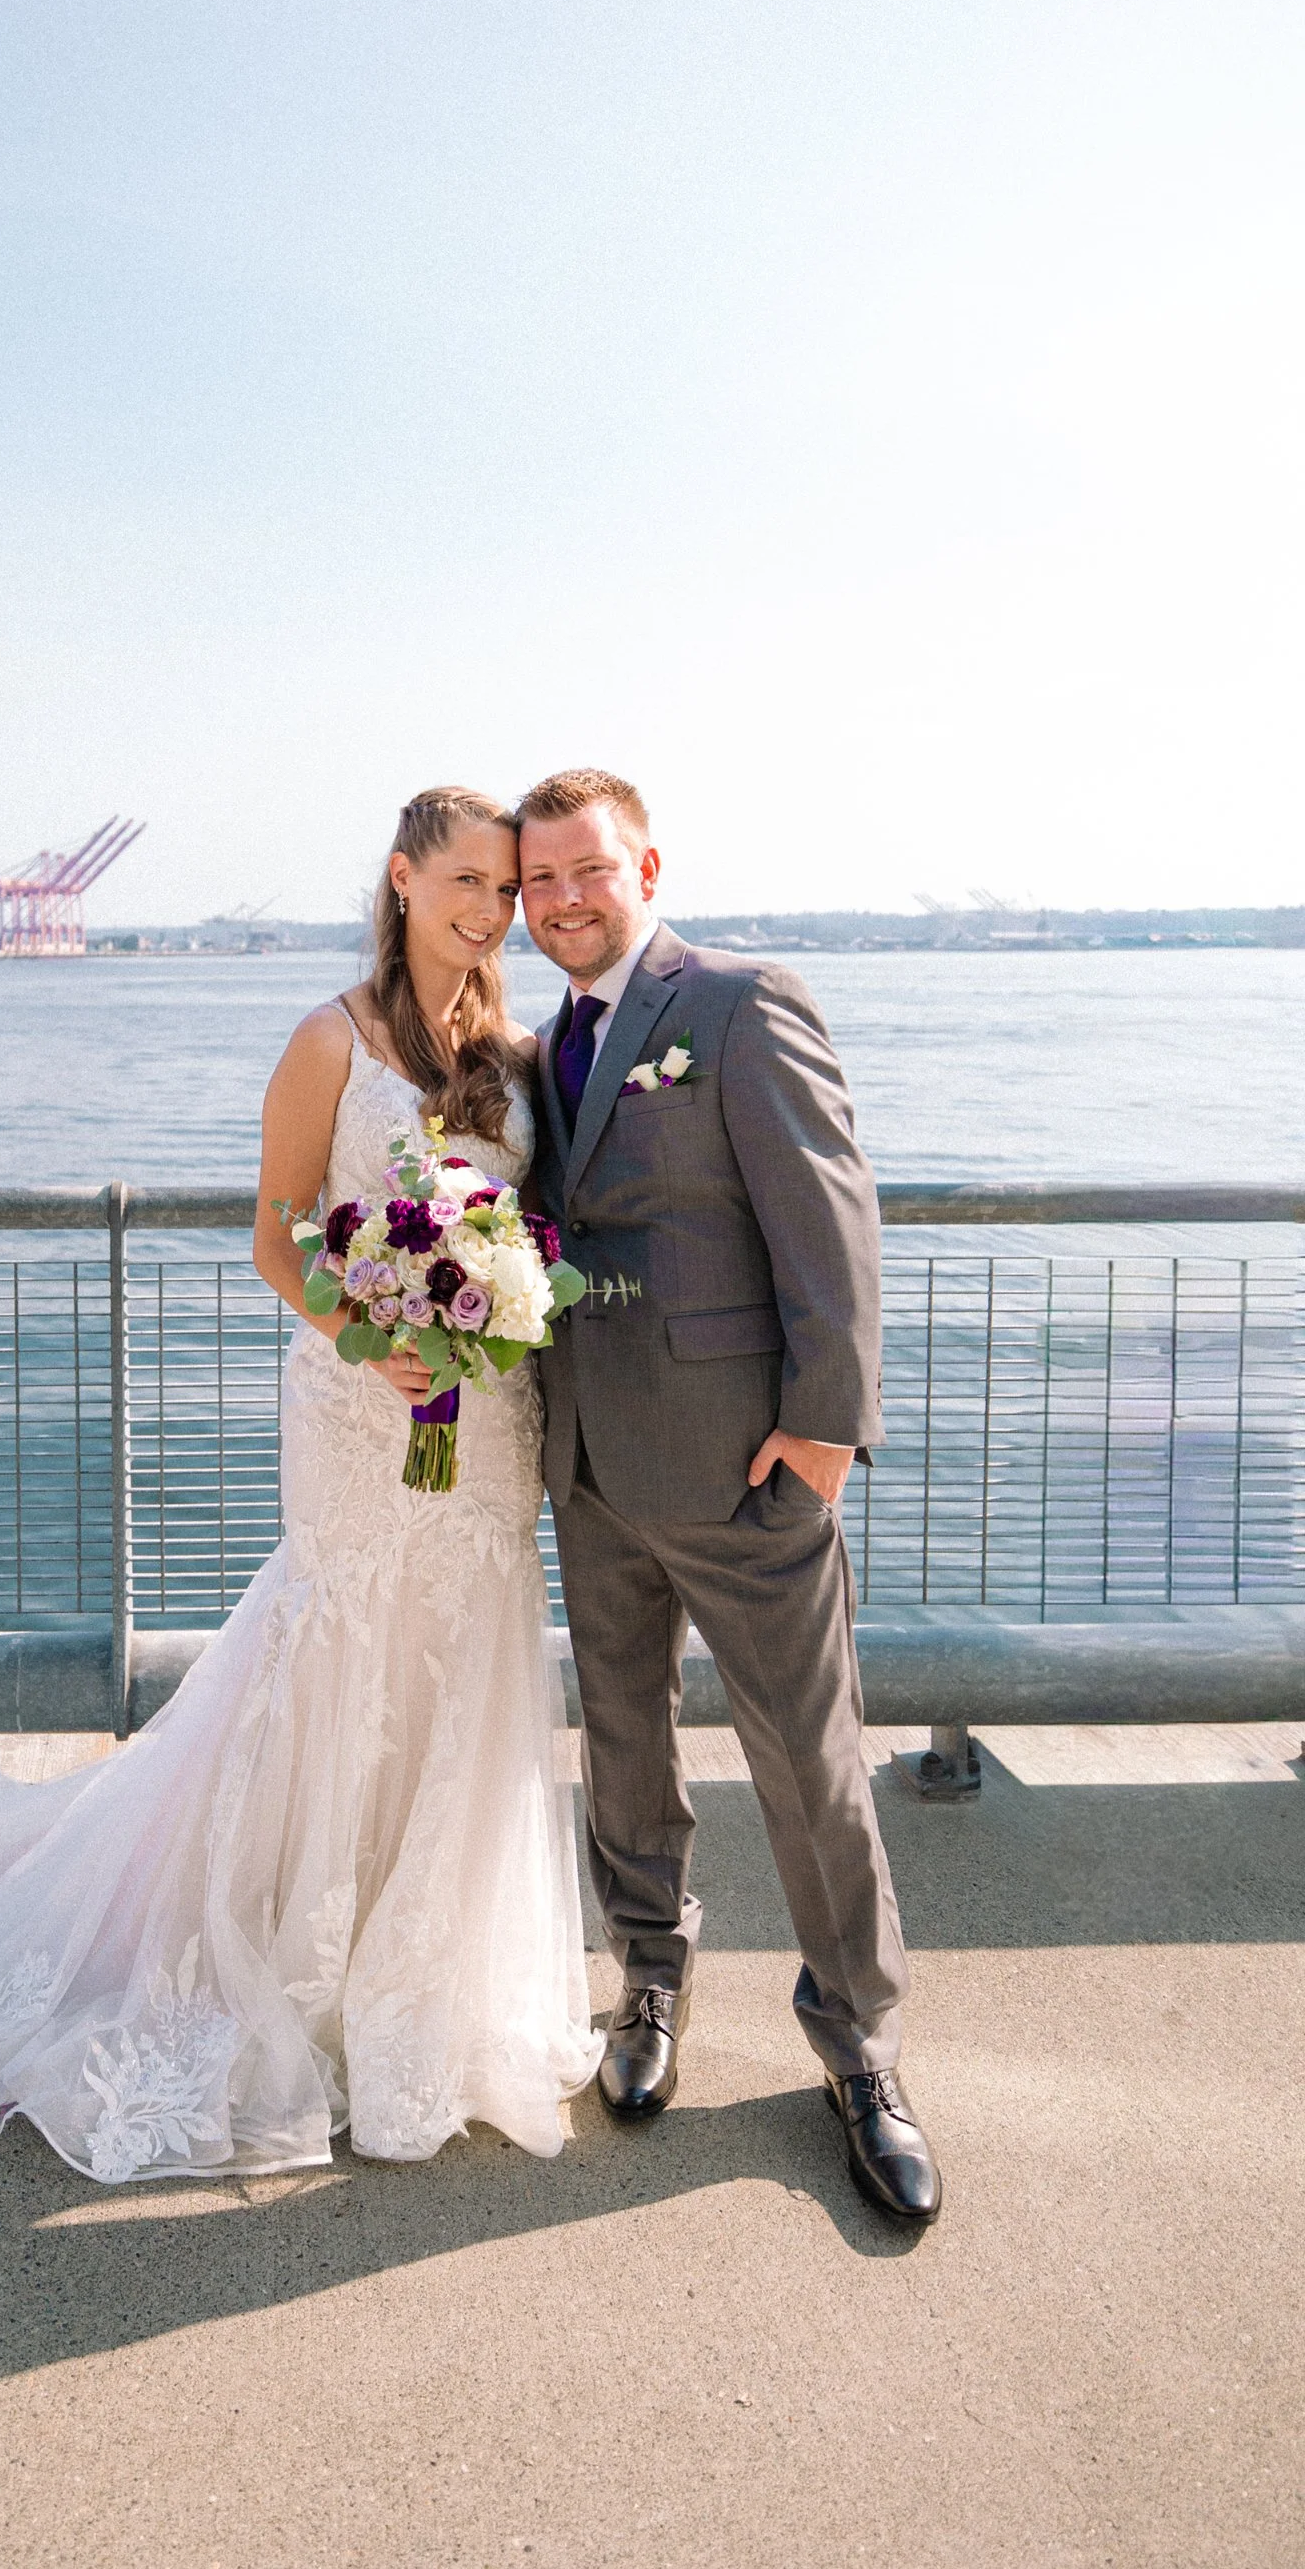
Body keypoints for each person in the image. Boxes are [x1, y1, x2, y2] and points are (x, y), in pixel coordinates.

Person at [0, 786, 600, 2182]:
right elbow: (278, 1238)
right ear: (405, 881)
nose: (491, 912)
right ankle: (290, 1972)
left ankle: (424, 1990)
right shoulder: (329, 1042)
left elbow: (526, 1229)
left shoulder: (523, 1055)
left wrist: (491, 1308)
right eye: (467, 883)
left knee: (464, 1662)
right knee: (345, 1649)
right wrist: (375, 1345)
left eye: (506, 890)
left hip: (487, 1423)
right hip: (362, 1416)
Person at [516, 766, 941, 2226]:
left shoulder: (741, 1002)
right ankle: (648, 1983)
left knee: (809, 1767)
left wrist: (825, 1433)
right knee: (625, 1746)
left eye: (587, 871)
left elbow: (833, 1212)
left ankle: (862, 2052)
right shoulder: (543, 1043)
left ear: (646, 866)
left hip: (747, 1466)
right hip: (589, 1464)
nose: (562, 900)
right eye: (537, 882)